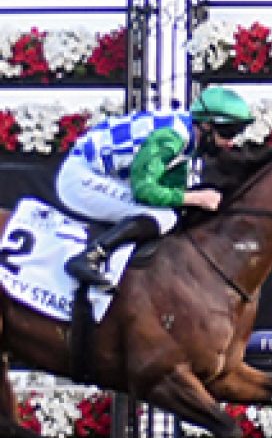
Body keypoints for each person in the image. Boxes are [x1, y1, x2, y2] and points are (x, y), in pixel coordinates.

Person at [55, 86, 254, 290]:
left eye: (236, 133)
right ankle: (90, 257)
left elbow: (171, 187)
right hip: (81, 178)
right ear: (205, 125)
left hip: (107, 173)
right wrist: (196, 198)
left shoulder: (188, 137)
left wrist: (188, 198)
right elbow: (144, 190)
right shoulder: (171, 138)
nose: (230, 142)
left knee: (171, 214)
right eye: (227, 132)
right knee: (162, 217)